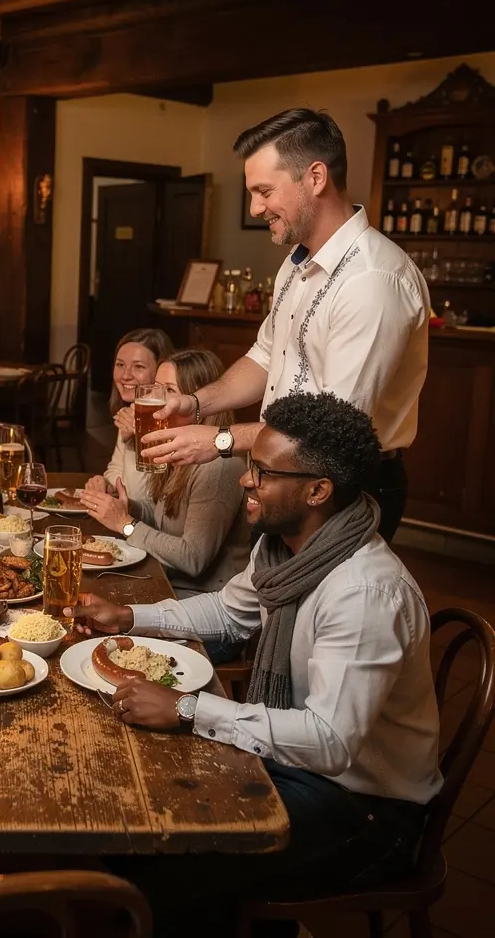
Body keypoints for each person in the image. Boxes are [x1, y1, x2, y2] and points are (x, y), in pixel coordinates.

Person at [69, 392, 441, 933]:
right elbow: (227, 610)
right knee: (134, 800)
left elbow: (331, 741)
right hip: (303, 769)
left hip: (367, 809)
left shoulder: (362, 593)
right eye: (250, 467)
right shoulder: (290, 549)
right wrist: (129, 616)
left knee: (164, 854)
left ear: (317, 490)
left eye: (262, 472)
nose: (246, 481)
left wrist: (191, 709)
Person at [143, 109, 429, 543]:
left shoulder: (373, 280)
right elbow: (264, 356)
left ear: (315, 177)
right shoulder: (296, 264)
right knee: (271, 607)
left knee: (317, 612)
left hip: (343, 486)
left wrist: (218, 440)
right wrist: (196, 403)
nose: (256, 207)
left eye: (263, 191)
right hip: (280, 473)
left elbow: (330, 430)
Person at [81, 348, 248, 612]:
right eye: (156, 388)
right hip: (169, 586)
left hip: (205, 606)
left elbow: (193, 558)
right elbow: (164, 516)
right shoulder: (180, 449)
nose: (157, 399)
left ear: (200, 401)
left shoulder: (218, 465)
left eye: (169, 391)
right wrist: (130, 508)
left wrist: (127, 525)